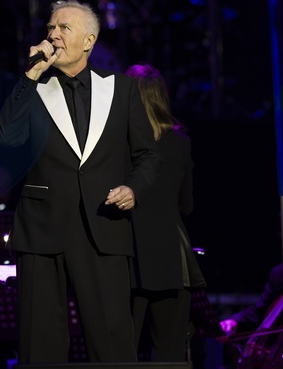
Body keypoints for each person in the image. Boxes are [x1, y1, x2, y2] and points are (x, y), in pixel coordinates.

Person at [0, 0, 161, 364]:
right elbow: (6, 139)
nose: (53, 35)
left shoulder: (121, 89)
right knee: (40, 345)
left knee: (112, 341)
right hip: (41, 229)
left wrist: (134, 188)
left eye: (63, 28)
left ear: (88, 41)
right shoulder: (33, 87)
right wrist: (31, 76)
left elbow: (148, 156)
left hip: (103, 225)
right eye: (50, 28)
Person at [125, 63, 207, 362]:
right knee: (170, 355)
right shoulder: (180, 142)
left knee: (120, 353)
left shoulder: (119, 142)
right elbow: (187, 205)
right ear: (162, 97)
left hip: (129, 257)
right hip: (171, 260)